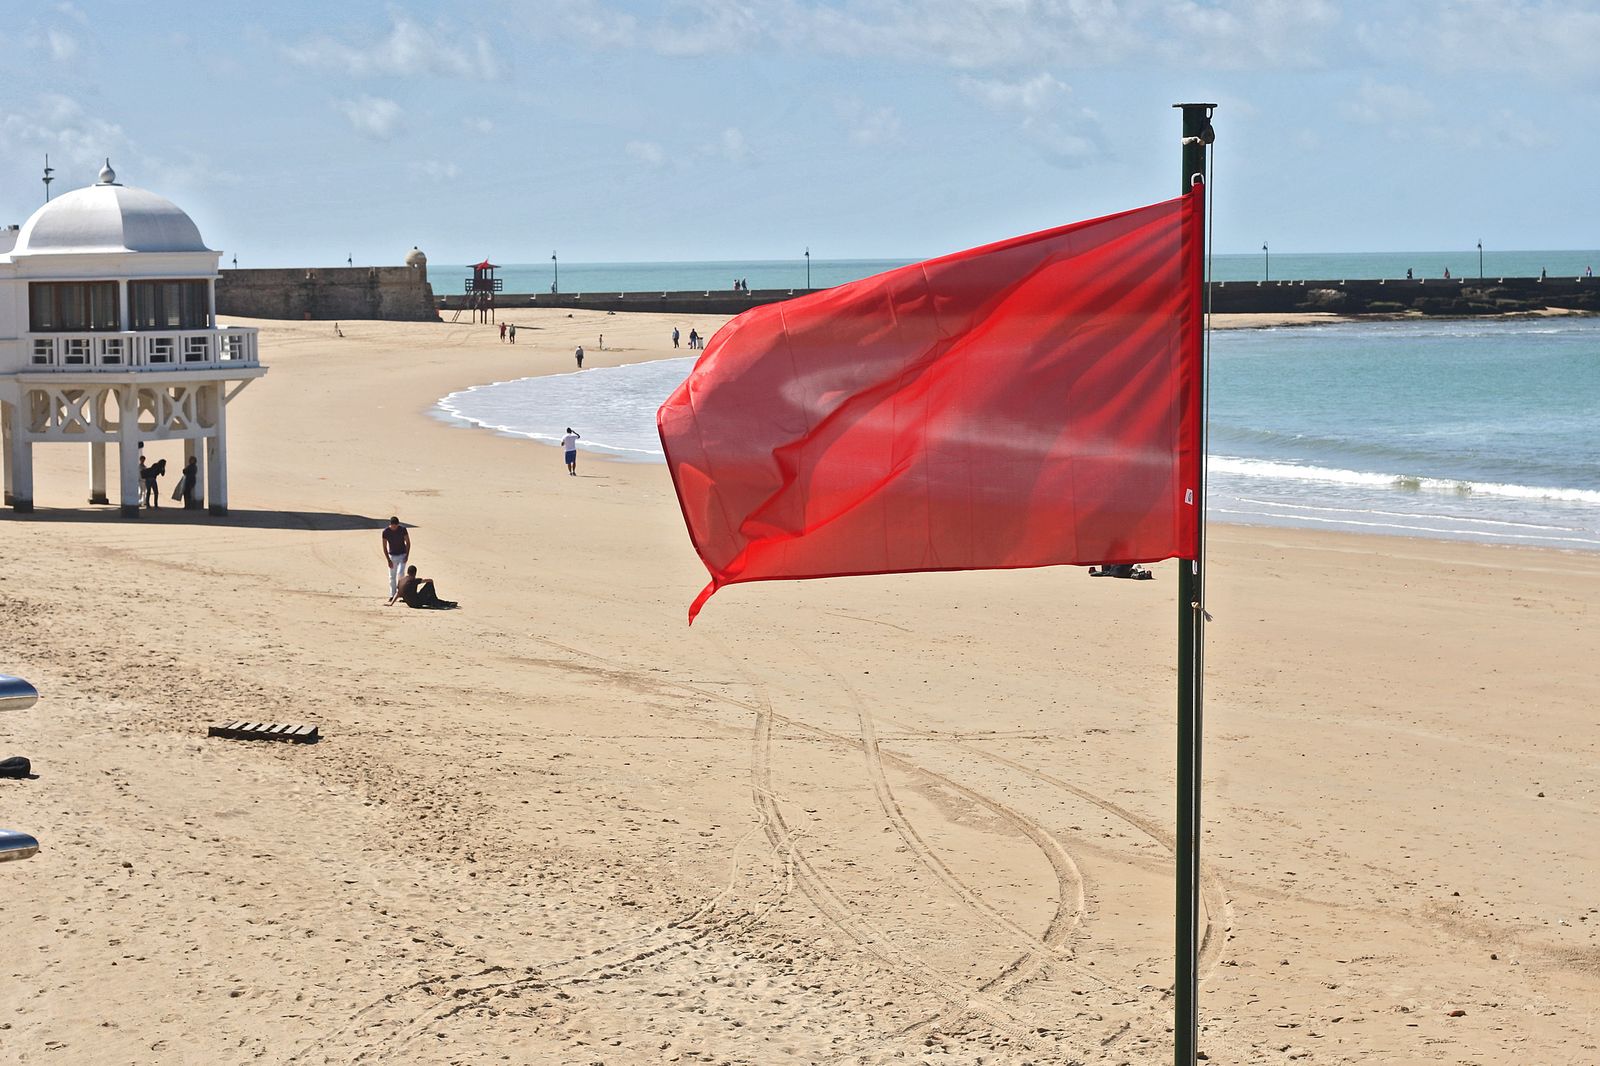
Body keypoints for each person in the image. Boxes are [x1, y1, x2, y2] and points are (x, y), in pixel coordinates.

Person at [388, 565, 456, 609]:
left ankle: (443, 602)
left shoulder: (401, 580)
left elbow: (397, 593)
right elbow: (429, 580)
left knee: (429, 599)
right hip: (417, 603)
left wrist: (391, 603)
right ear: (414, 573)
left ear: (408, 572)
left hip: (410, 604)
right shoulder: (413, 580)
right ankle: (437, 602)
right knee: (429, 584)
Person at [381, 516, 410, 600]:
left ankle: (401, 593)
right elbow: (384, 546)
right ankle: (392, 595)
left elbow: (408, 542)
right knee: (392, 576)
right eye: (393, 526)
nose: (395, 528)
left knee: (401, 574)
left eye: (396, 526)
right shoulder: (385, 532)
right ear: (390, 525)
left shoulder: (403, 529)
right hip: (392, 555)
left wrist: (407, 555)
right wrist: (388, 560)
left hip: (402, 554)